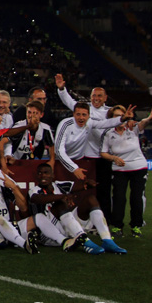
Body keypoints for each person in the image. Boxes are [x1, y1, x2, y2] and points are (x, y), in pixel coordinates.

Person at [29, 163, 127, 255]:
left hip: (68, 226)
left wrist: (87, 183)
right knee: (60, 204)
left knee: (91, 199)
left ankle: (107, 240)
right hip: (50, 234)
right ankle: (85, 241)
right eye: (40, 173)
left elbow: (80, 185)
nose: (42, 176)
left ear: (52, 175)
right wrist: (62, 197)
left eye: (46, 173)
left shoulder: (59, 185)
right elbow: (37, 198)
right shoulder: (34, 190)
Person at [55, 73, 113, 218]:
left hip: (104, 157)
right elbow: (68, 101)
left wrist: (125, 119)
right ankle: (83, 217)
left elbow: (113, 122)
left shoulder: (109, 113)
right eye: (94, 96)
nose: (96, 98)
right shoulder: (85, 109)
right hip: (86, 157)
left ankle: (104, 219)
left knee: (104, 191)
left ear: (105, 98)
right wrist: (62, 89)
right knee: (85, 190)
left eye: (100, 96)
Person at [101, 105, 152, 238]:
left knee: (136, 198)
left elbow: (143, 123)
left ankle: (136, 226)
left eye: (121, 115)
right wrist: (114, 158)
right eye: (115, 116)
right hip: (119, 170)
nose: (119, 118)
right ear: (111, 119)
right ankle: (117, 226)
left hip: (139, 168)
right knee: (119, 198)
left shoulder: (132, 128)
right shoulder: (108, 133)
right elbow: (103, 152)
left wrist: (150, 117)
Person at [54, 102, 133, 180]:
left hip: (80, 160)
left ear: (89, 116)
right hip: (62, 161)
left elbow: (105, 123)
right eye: (78, 114)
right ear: (73, 114)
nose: (81, 118)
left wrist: (122, 118)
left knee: (81, 190)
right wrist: (74, 168)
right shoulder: (65, 124)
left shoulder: (90, 122)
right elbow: (58, 150)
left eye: (84, 115)